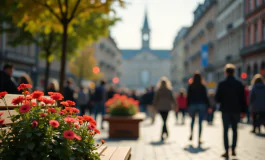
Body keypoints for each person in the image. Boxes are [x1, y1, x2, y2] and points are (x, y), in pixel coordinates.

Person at [215, 64, 247, 158]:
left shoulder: (222, 84)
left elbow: (217, 98)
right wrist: (244, 111)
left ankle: (226, 151)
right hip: (236, 110)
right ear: (234, 72)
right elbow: (243, 99)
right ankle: (233, 148)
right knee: (235, 130)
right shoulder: (239, 84)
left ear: (226, 73)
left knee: (225, 130)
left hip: (225, 110)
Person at [187, 72, 210, 145]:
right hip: (201, 105)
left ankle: (191, 134)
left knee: (193, 120)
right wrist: (208, 106)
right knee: (200, 122)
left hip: (193, 105)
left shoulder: (191, 86)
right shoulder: (202, 86)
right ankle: (199, 138)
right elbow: (206, 97)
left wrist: (188, 106)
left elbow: (188, 97)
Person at [153, 77, 176, 141]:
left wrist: (154, 106)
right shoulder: (169, 90)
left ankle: (163, 134)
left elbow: (155, 99)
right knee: (165, 121)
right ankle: (165, 132)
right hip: (167, 107)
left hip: (160, 107)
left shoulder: (158, 90)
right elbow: (172, 99)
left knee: (164, 121)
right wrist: (175, 105)